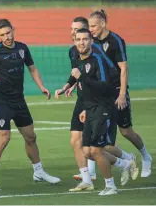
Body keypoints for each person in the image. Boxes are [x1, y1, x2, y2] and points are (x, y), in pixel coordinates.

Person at [0, 19, 60, 191]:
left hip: (19, 100)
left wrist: (42, 87)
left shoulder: (22, 48)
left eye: (8, 33)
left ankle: (38, 172)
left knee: (31, 137)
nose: (6, 37)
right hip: (2, 100)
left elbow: (32, 68)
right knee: (4, 138)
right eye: (2, 35)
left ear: (13, 30)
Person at [55, 17, 136, 190]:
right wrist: (68, 86)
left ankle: (110, 183)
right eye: (74, 32)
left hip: (102, 104)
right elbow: (78, 73)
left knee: (98, 148)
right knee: (85, 148)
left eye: (81, 34)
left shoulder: (98, 56)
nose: (76, 36)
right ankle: (111, 169)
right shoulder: (74, 52)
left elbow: (103, 80)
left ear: (90, 37)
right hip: (86, 101)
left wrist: (120, 94)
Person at [89, 9, 152, 177]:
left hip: (117, 92)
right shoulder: (92, 42)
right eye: (89, 26)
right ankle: (118, 163)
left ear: (103, 24)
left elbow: (124, 67)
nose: (91, 29)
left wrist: (122, 93)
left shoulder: (116, 41)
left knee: (126, 132)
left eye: (93, 25)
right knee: (102, 139)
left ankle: (146, 156)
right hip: (103, 96)